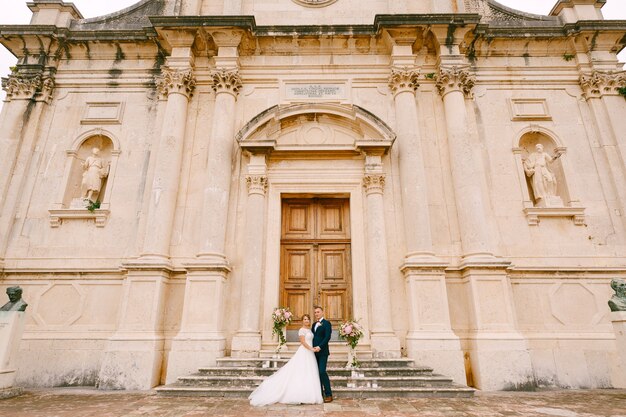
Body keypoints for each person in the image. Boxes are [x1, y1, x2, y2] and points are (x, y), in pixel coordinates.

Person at [249, 314, 323, 406]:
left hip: (311, 353)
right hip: (305, 351)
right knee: (301, 371)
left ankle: (309, 393)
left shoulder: (310, 330)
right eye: (304, 319)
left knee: (309, 371)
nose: (306, 321)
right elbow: (303, 342)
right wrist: (311, 349)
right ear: (302, 321)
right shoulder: (301, 330)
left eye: (308, 319)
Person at [312, 305, 333, 402]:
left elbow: (327, 337)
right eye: (315, 312)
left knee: (322, 371)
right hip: (313, 352)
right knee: (316, 373)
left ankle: (328, 394)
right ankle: (319, 394)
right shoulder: (313, 324)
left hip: (323, 351)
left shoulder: (327, 323)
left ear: (322, 312)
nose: (316, 314)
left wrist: (320, 347)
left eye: (318, 312)